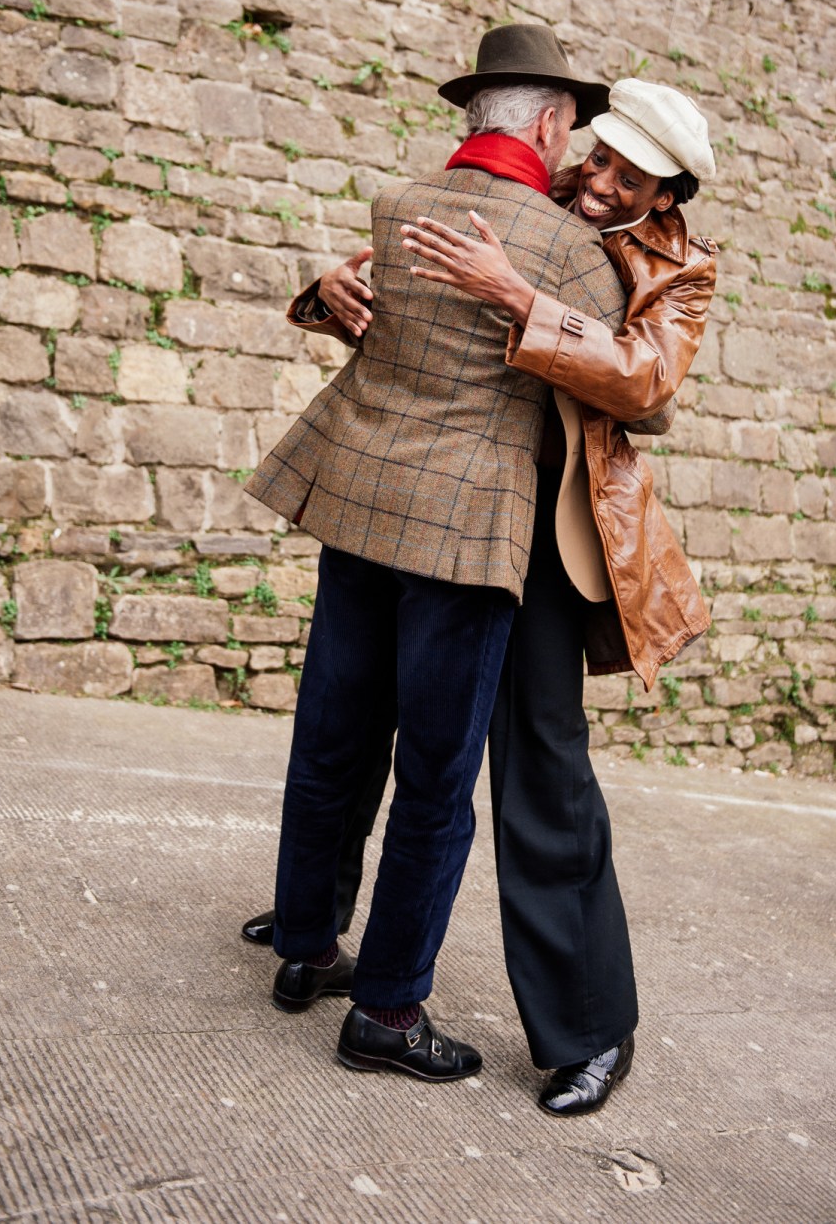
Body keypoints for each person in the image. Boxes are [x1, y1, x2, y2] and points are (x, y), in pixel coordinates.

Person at [244, 75, 719, 1115]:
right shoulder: (525, 182)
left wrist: (523, 299)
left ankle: (590, 1031)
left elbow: (648, 386)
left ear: (666, 191)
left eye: (624, 178)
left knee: (540, 777)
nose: (592, 185)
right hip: (453, 497)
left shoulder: (680, 271)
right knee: (353, 719)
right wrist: (332, 290)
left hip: (554, 528)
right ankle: (312, 926)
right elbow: (417, 313)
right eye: (592, 158)